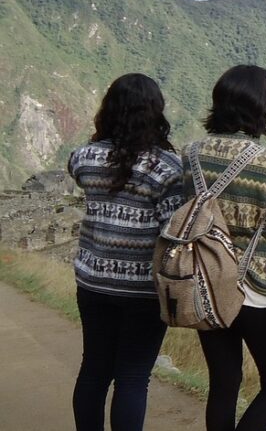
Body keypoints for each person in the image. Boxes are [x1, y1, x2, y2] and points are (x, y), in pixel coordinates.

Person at [187, 65, 266, 431]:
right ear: (260, 109)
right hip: (255, 288)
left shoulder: (191, 154)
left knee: (223, 382)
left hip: (205, 283)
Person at [68, 73, 184, 431]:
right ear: (155, 113)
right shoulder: (166, 168)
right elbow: (171, 229)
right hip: (142, 290)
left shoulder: (84, 158)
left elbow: (80, 173)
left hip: (93, 283)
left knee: (94, 369)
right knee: (133, 377)